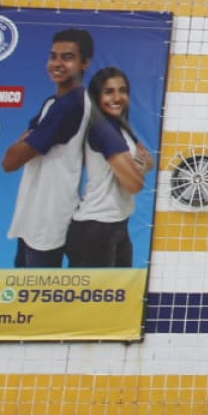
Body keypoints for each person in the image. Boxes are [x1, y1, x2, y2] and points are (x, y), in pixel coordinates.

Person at [1, 27, 93, 268]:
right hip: (33, 212)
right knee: (22, 285)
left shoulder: (71, 105)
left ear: (85, 63)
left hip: (49, 216)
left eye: (68, 57)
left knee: (36, 294)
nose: (57, 63)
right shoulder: (53, 102)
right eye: (53, 56)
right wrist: (23, 144)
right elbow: (20, 149)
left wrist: (22, 144)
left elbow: (10, 162)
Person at [64, 67, 154, 269]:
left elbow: (148, 161)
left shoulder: (120, 127)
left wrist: (137, 168)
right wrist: (137, 170)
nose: (117, 97)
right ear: (97, 96)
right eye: (109, 91)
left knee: (119, 299)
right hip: (95, 230)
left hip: (117, 225)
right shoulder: (103, 130)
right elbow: (133, 184)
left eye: (122, 90)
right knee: (94, 301)